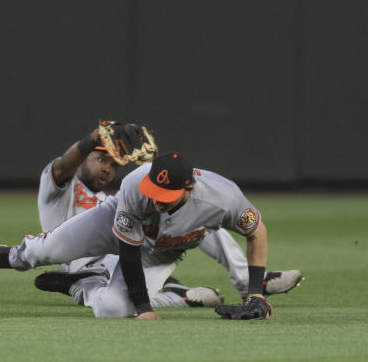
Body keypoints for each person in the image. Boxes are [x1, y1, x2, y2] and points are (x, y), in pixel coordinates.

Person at [0, 148, 302, 318]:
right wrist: (144, 308)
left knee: (113, 310)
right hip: (112, 225)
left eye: (166, 197)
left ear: (188, 188)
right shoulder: (136, 185)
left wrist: (257, 295)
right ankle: (14, 256)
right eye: (154, 193)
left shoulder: (223, 198)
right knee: (47, 251)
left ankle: (83, 286)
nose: (157, 201)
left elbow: (257, 232)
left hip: (163, 249)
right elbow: (128, 249)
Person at [30, 126, 277, 308]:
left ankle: (250, 283)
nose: (107, 168)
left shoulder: (113, 196)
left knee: (201, 218)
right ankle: (176, 297)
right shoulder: (59, 189)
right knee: (113, 304)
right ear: (83, 159)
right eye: (100, 159)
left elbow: (153, 196)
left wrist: (153, 163)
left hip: (122, 256)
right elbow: (63, 166)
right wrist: (92, 139)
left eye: (113, 164)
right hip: (84, 265)